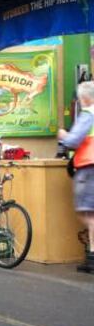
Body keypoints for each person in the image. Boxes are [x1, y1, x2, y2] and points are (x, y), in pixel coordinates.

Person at [58, 80, 94, 273]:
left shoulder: (88, 114)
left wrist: (63, 134)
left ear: (85, 98)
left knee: (86, 213)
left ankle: (93, 258)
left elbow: (73, 141)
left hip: (89, 168)